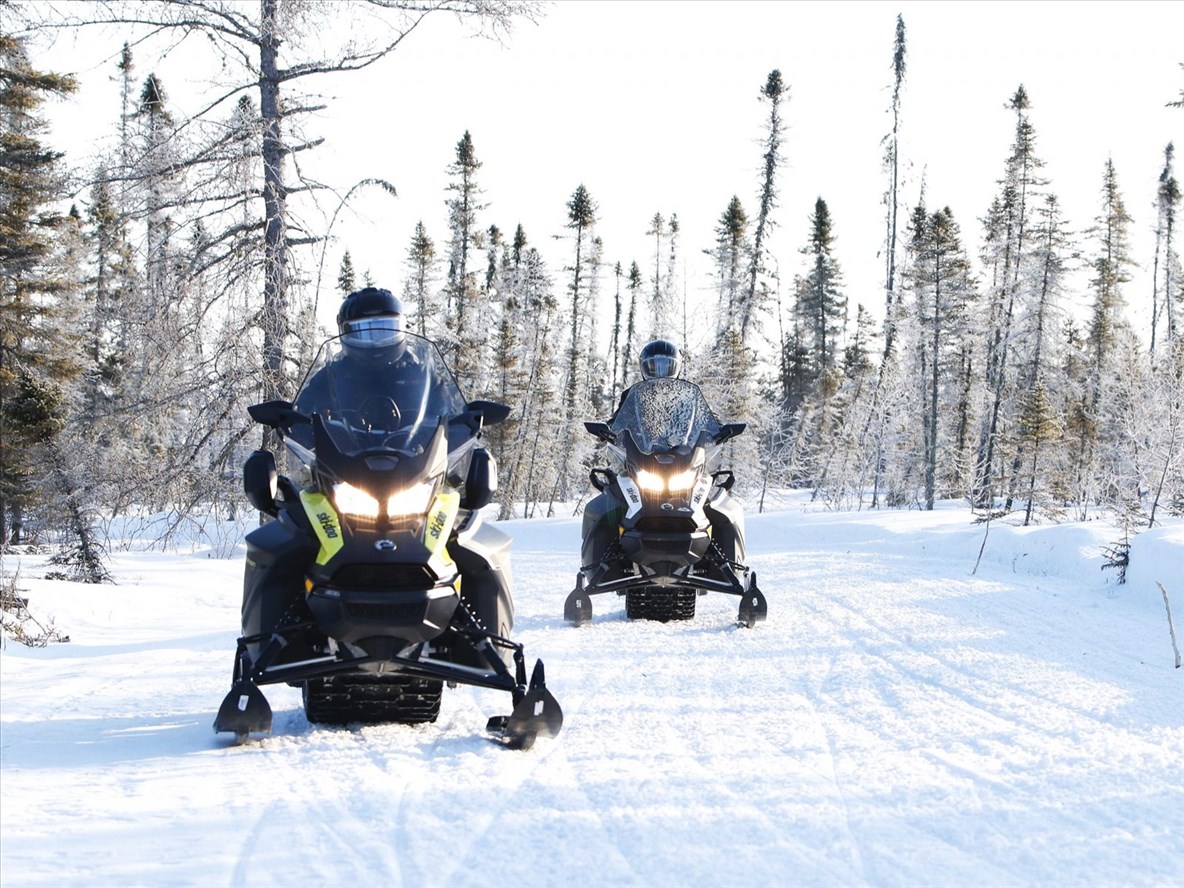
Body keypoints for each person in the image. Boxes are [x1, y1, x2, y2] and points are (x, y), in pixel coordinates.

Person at [293, 286, 466, 445]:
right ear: (343, 332)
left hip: (413, 467)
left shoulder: (421, 378)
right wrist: (290, 419)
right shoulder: (330, 378)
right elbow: (301, 412)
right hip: (342, 468)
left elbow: (449, 413)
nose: (375, 341)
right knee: (283, 477)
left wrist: (466, 422)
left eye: (385, 328)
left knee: (479, 464)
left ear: (402, 328)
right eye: (362, 331)